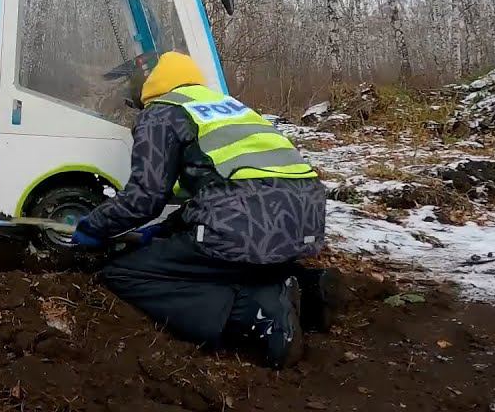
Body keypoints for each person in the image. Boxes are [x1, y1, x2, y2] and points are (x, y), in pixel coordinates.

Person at [71, 52, 330, 368]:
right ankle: (307, 288)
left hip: (248, 227)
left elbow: (145, 197)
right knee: (230, 258)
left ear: (149, 82)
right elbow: (224, 186)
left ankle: (257, 315)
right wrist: (164, 230)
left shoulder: (162, 112)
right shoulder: (228, 107)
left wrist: (94, 226)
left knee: (123, 272)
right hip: (304, 223)